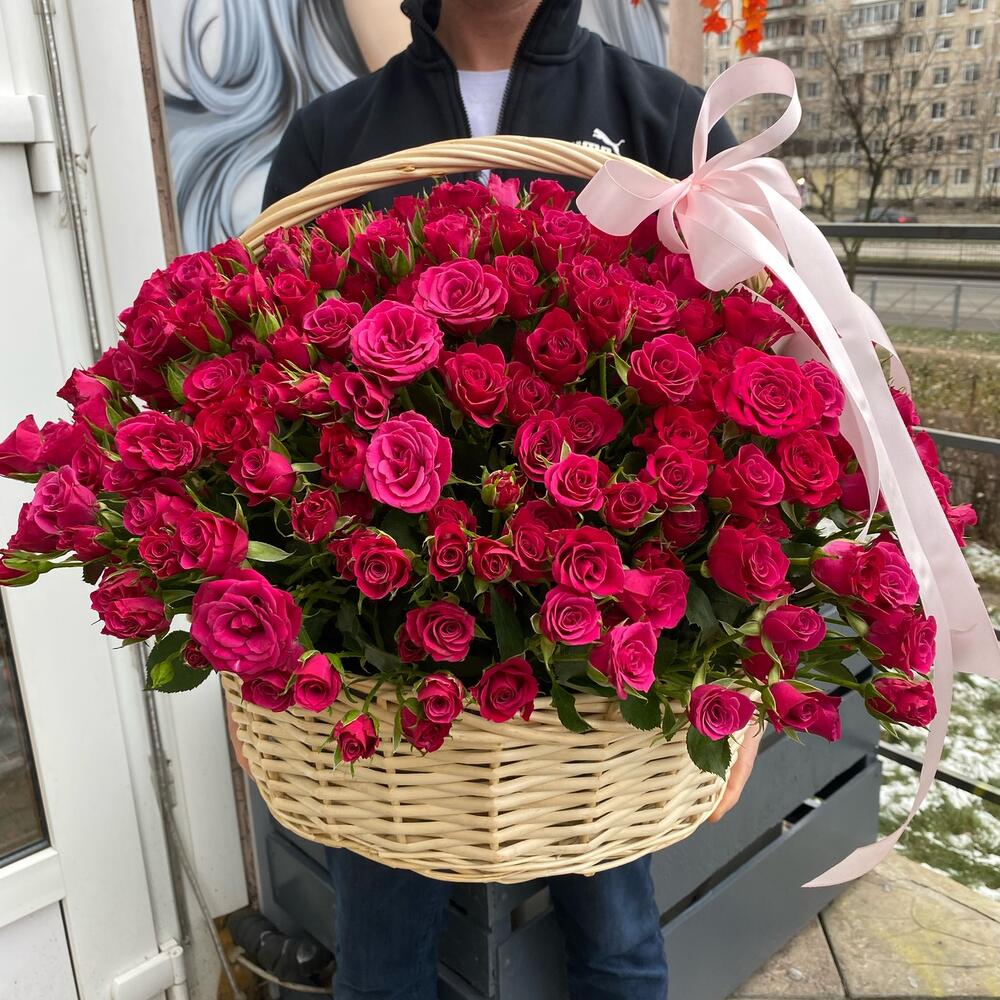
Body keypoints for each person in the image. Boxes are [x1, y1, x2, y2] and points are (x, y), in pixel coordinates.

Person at [242, 2, 763, 997]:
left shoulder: (664, 118)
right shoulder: (332, 135)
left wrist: (754, 684)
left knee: (617, 933)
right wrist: (254, 659)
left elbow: (754, 371)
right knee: (380, 949)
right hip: (380, 654)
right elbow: (260, 385)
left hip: (607, 654)